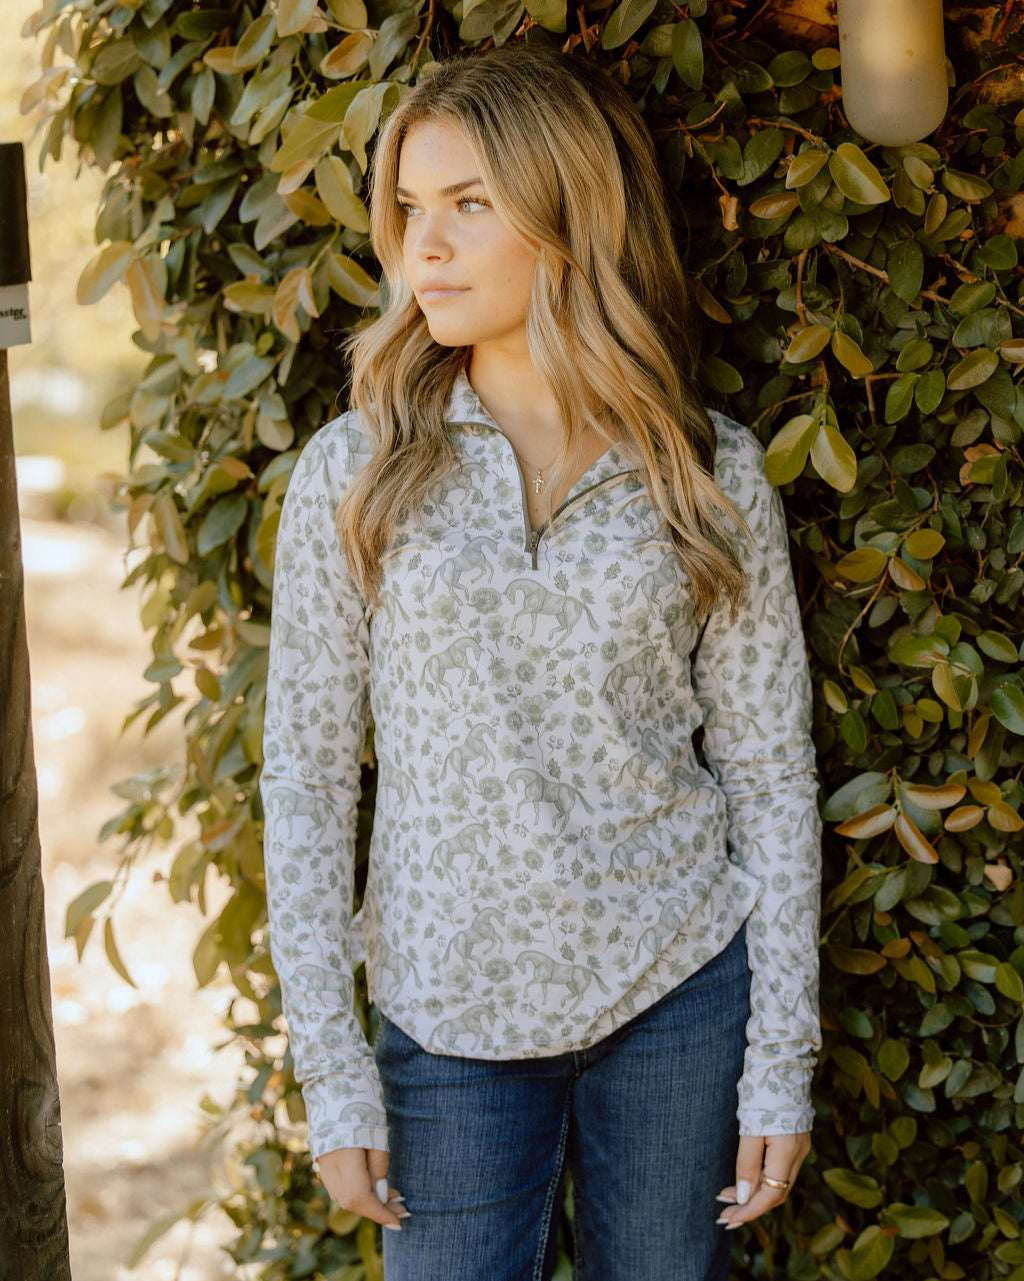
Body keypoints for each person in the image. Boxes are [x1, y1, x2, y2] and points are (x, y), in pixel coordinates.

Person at [261, 42, 821, 1281]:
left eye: (469, 204)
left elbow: (770, 775)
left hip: (676, 994)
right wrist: (332, 1076)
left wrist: (780, 1058)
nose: (425, 247)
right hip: (446, 1016)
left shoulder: (708, 472)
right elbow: (305, 779)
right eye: (410, 208)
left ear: (569, 217)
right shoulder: (354, 472)